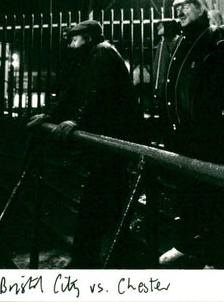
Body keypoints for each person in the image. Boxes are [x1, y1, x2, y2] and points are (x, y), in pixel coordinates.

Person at [28, 19, 142, 268]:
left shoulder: (101, 53)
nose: (70, 43)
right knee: (106, 197)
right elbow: (75, 91)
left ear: (88, 37)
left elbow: (98, 93)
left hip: (112, 141)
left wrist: (76, 121)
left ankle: (90, 258)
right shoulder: (94, 54)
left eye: (74, 38)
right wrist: (52, 116)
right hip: (110, 141)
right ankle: (111, 254)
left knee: (99, 197)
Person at [155, 0, 224, 267]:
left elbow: (220, 88)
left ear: (200, 8)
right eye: (177, 7)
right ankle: (187, 243)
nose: (179, 11)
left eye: (185, 6)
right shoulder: (184, 39)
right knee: (186, 195)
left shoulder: (215, 35)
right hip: (182, 135)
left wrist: (209, 128)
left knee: (210, 197)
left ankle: (216, 254)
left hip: (204, 137)